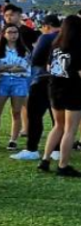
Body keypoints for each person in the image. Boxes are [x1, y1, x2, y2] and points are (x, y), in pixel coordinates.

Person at [12, 14, 61, 161]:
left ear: (47, 26)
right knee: (58, 119)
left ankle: (32, 148)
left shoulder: (46, 37)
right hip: (63, 82)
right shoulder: (71, 38)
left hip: (42, 79)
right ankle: (57, 149)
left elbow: (36, 59)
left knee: (34, 115)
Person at [39, 15, 81, 176]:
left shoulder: (56, 44)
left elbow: (49, 66)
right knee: (70, 130)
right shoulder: (78, 46)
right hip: (73, 89)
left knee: (58, 125)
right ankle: (63, 165)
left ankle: (45, 160)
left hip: (54, 88)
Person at [0, 24, 31, 151]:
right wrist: (12, 68)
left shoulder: (24, 50)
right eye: (10, 32)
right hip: (3, 82)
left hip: (19, 82)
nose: (13, 35)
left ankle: (13, 140)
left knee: (16, 112)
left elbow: (25, 68)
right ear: (4, 34)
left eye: (15, 32)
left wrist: (5, 67)